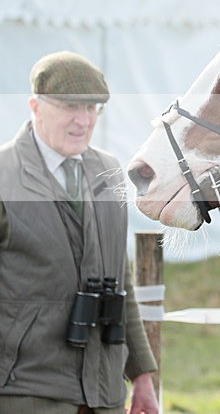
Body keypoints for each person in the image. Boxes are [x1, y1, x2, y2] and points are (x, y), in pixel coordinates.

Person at [0, 51, 159, 413]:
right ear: (35, 106)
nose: (83, 121)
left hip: (104, 395)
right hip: (25, 393)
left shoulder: (108, 171)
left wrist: (142, 376)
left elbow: (121, 282)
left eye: (92, 108)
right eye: (70, 107)